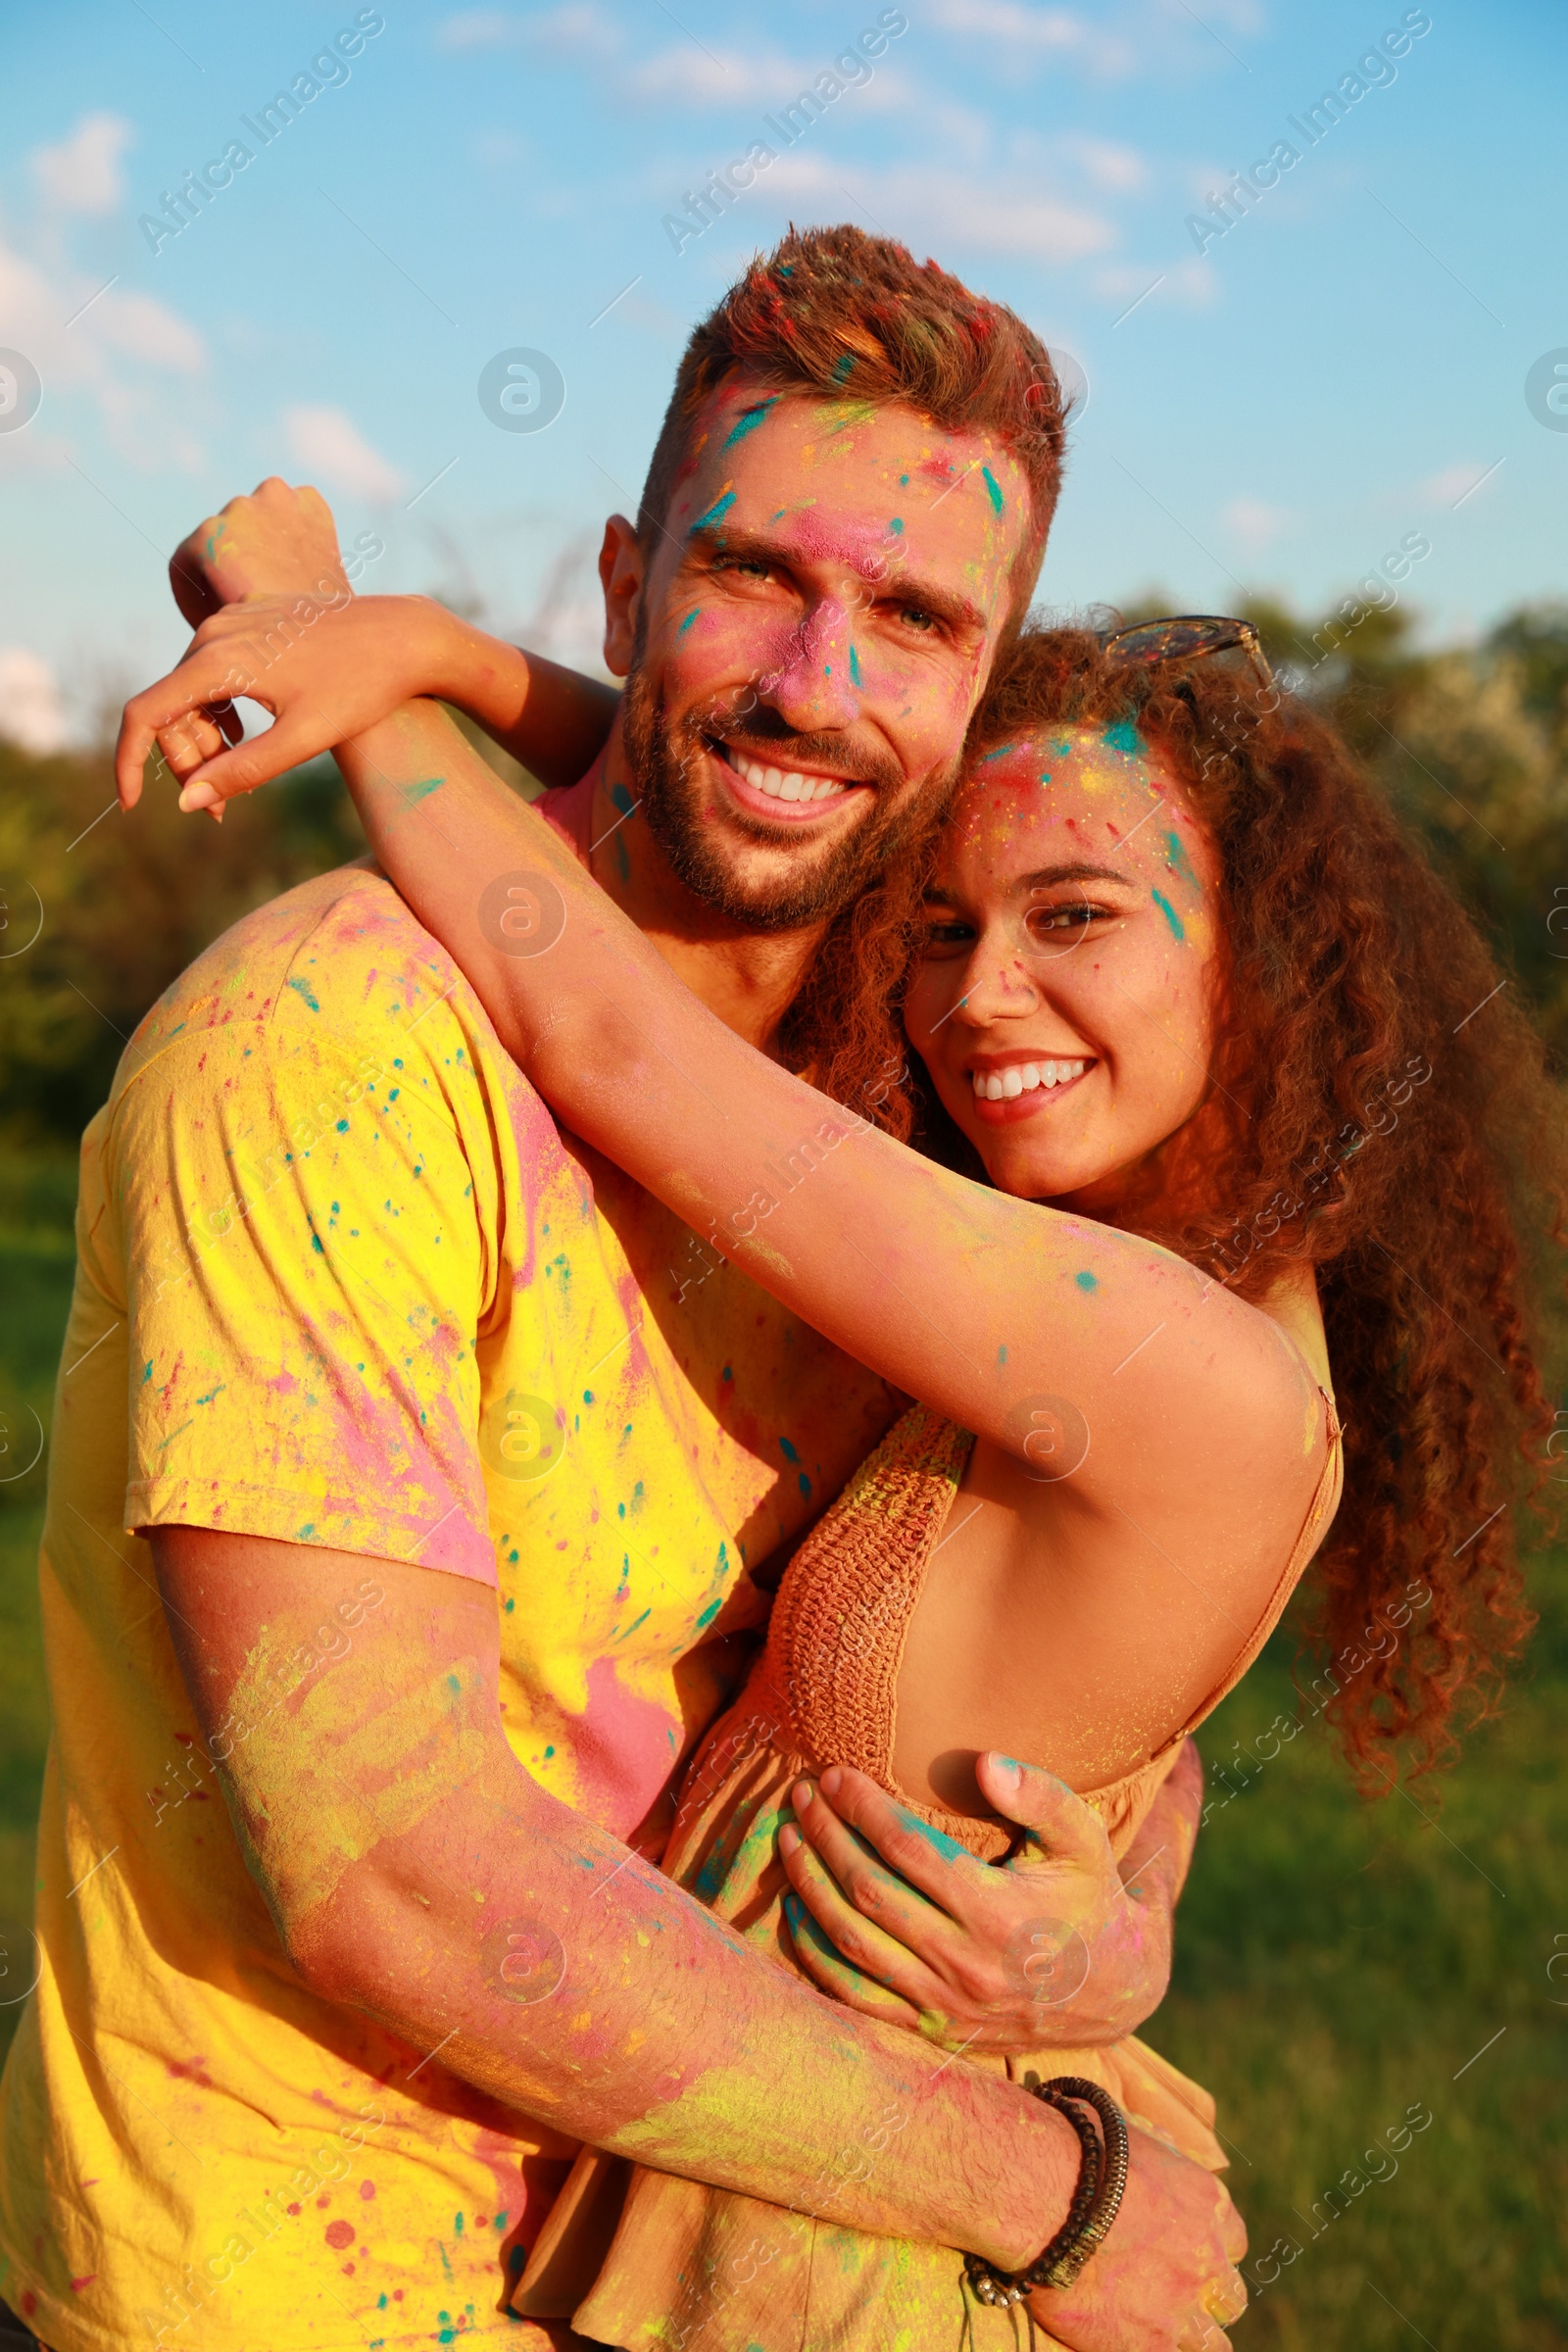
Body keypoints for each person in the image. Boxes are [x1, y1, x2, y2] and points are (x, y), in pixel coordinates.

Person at [0, 227, 1244, 2352]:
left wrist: (1104, 1915)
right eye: (752, 575)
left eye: (915, 618)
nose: (812, 684)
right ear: (620, 583)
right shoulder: (329, 1049)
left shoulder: (921, 1095)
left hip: (709, 2245)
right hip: (289, 2283)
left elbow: (1068, 1635)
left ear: (982, 681)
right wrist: (1050, 2194)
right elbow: (387, 1866)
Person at [133, 591, 1559, 2349]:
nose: (978, 997)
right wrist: (1137, 1901)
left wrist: (389, 671)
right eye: (942, 926)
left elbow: (607, 1038)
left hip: (865, 2226)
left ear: (1256, 957)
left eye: (1078, 918)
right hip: (849, 2137)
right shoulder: (1171, 1280)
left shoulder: (1166, 1360)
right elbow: (760, 809)